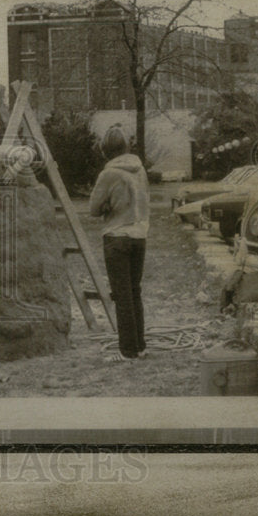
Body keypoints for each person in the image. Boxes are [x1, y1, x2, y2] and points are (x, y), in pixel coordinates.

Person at [89, 126, 150, 360]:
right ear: (127, 147)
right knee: (135, 293)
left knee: (122, 296)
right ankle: (140, 346)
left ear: (106, 151)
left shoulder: (108, 174)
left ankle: (127, 351)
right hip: (139, 235)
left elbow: (94, 209)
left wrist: (108, 206)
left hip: (116, 237)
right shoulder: (140, 170)